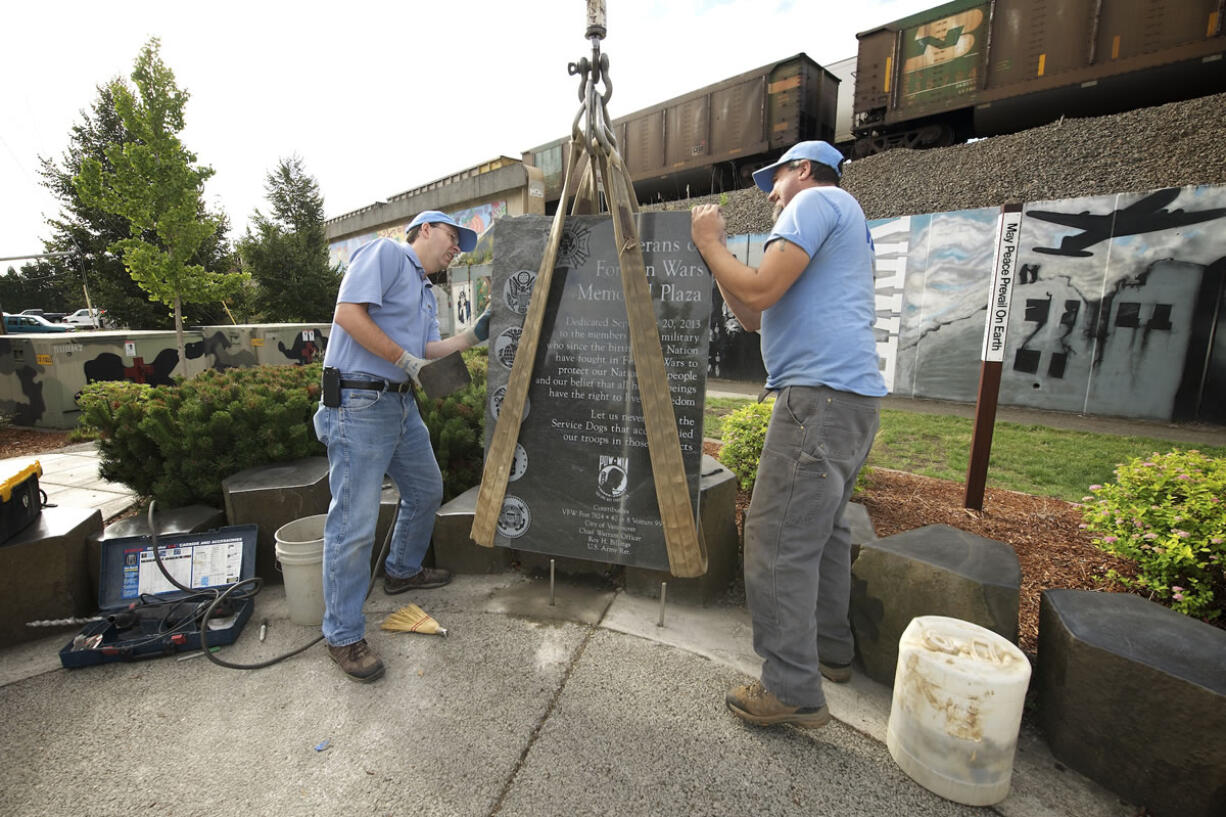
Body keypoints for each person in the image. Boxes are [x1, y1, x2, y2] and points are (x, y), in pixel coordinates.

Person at [690, 141, 886, 727]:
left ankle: (790, 689)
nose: (771, 195)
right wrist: (715, 258)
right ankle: (829, 651)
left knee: (776, 541)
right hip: (850, 401)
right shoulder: (844, 217)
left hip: (817, 399)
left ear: (802, 170)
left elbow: (756, 290)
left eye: (774, 180)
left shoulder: (813, 201)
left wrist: (709, 243)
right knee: (821, 534)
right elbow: (753, 314)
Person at [314, 210, 491, 682]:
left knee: (427, 488)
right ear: (426, 230)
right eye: (453, 237)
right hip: (357, 401)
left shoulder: (426, 293)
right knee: (353, 524)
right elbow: (348, 314)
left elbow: (429, 351)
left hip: (399, 403)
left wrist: (476, 334)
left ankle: (402, 570)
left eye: (461, 245)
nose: (456, 248)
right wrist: (402, 358)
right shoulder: (388, 252)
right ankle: (343, 635)